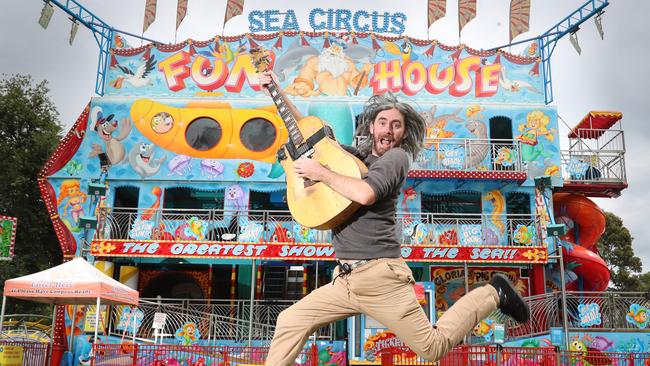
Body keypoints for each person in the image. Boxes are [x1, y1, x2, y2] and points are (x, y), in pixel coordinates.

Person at [258, 71, 530, 365]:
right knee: (290, 320)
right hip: (346, 280)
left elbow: (365, 194)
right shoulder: (354, 160)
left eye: (396, 125)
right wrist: (275, 91)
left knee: (432, 347)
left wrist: (320, 173)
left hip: (380, 276)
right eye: (383, 122)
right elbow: (309, 135)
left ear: (403, 133)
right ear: (372, 126)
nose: (388, 130)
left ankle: (493, 293)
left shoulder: (396, 159)